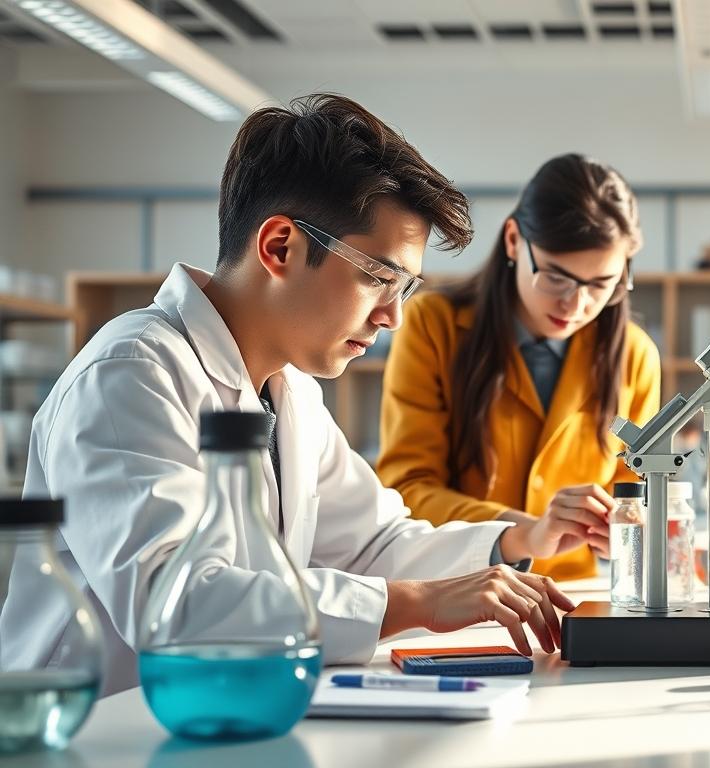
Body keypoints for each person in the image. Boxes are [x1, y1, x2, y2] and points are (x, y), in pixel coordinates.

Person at [0, 94, 577, 696]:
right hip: (95, 735)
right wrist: (415, 604)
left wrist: (513, 545)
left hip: (228, 716)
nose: (393, 318)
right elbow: (175, 607)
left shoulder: (290, 390)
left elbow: (373, 544)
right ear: (279, 247)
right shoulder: (129, 374)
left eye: (406, 288)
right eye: (379, 278)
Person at [377, 154, 660, 580]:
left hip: (574, 596)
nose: (576, 304)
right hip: (458, 589)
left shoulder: (634, 355)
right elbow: (407, 489)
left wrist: (623, 526)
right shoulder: (432, 326)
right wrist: (524, 531)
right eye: (556, 278)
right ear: (514, 240)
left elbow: (635, 493)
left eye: (602, 284)